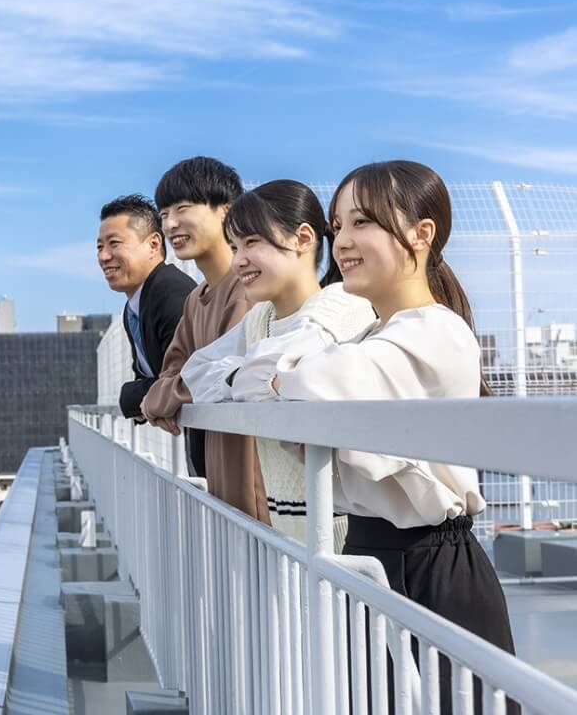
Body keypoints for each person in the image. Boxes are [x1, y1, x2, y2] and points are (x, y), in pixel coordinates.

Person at [231, 160, 516, 714]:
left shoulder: (436, 331)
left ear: (421, 233)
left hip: (433, 563)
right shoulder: (370, 334)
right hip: (373, 553)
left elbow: (311, 380)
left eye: (363, 222)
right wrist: (285, 379)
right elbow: (249, 379)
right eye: (339, 226)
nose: (344, 242)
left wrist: (283, 378)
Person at [180, 180, 374, 545]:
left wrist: (243, 375)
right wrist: (246, 376)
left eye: (252, 243)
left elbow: (279, 366)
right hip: (285, 529)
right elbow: (195, 372)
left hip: (340, 534)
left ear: (303, 239)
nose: (238, 260)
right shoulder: (260, 319)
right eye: (234, 246)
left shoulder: (343, 305)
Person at [141, 156, 269, 521]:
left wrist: (159, 400)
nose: (170, 223)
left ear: (226, 212)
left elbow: (214, 375)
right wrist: (163, 395)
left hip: (252, 472)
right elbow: (174, 371)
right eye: (164, 214)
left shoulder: (248, 287)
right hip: (217, 468)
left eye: (183, 208)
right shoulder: (198, 298)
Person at [97, 194, 197, 422]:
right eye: (100, 246)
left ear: (153, 244)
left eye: (114, 243)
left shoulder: (171, 293)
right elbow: (150, 381)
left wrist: (129, 398)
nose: (103, 256)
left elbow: (187, 380)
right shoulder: (134, 306)